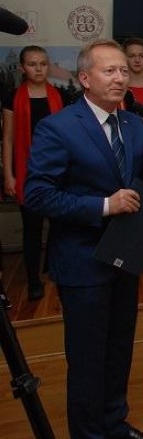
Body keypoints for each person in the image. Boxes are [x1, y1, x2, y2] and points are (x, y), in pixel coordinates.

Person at [24, 39, 143, 439]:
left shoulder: (132, 124)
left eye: (124, 70)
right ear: (86, 78)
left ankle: (115, 426)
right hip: (82, 259)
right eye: (110, 71)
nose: (120, 77)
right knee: (88, 358)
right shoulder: (59, 126)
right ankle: (89, 437)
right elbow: (36, 194)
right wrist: (104, 206)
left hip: (124, 254)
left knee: (118, 349)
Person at [2, 45, 64, 300]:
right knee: (32, 228)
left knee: (60, 226)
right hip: (27, 171)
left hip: (58, 170)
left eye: (42, 63)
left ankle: (55, 270)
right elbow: (7, 140)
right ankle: (33, 280)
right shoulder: (11, 97)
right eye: (32, 64)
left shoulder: (59, 95)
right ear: (22, 68)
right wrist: (9, 175)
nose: (38, 68)